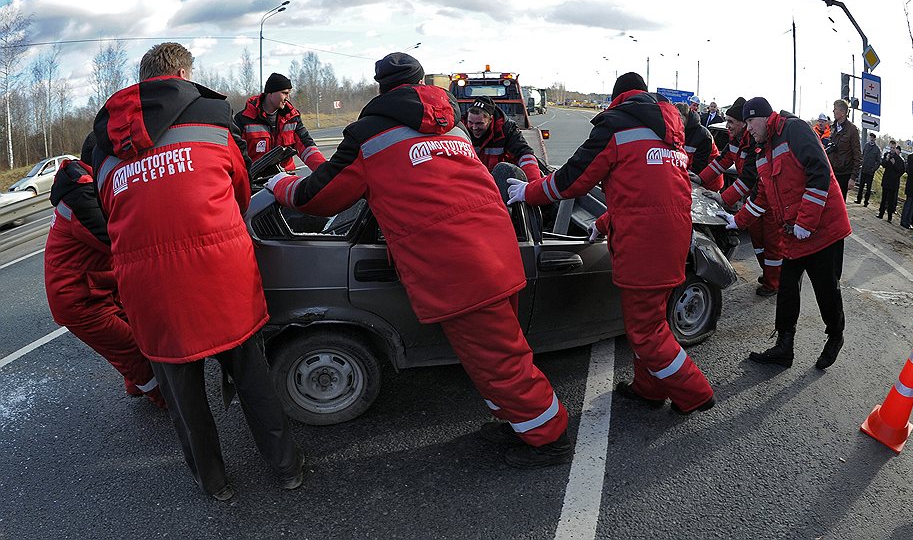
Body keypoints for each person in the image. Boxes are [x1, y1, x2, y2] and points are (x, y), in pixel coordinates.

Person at [267, 52, 573, 469]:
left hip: (455, 265)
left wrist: (281, 183)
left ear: (380, 86)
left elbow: (320, 197)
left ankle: (549, 439)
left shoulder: (369, 133)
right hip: (497, 249)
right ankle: (517, 423)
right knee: (491, 357)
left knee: (502, 362)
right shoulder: (454, 124)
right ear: (421, 81)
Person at [90, 42, 303, 501]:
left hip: (150, 291)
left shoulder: (102, 141)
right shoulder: (210, 115)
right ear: (183, 74)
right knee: (253, 380)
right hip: (219, 276)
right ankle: (287, 469)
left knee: (185, 401)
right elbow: (240, 191)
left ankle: (215, 484)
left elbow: (110, 212)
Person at [507, 72, 716, 415]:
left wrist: (527, 191)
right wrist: (605, 222)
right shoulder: (669, 132)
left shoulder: (616, 126)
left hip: (643, 246)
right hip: (672, 237)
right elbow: (647, 191)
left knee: (646, 332)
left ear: (618, 98)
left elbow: (572, 179)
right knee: (650, 323)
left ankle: (695, 393)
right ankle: (648, 389)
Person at [721, 97, 851, 369]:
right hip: (794, 233)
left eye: (749, 122)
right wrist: (737, 221)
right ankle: (784, 347)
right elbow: (763, 196)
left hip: (822, 229)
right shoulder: (763, 150)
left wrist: (806, 221)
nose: (748, 129)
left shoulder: (795, 130)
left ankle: (835, 335)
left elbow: (820, 172)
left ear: (764, 118)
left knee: (826, 290)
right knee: (787, 288)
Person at [44, 138, 165, 410]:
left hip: (97, 287)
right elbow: (118, 242)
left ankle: (136, 385)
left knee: (138, 338)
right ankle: (164, 398)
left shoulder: (84, 186)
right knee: (133, 351)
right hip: (80, 300)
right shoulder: (82, 196)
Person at [697, 96, 783, 297]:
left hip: (767, 202)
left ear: (745, 124)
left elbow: (749, 178)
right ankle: (769, 274)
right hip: (754, 199)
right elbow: (722, 161)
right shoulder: (736, 140)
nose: (728, 126)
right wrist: (700, 179)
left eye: (731, 122)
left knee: (771, 245)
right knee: (758, 242)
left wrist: (723, 199)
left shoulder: (755, 144)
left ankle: (773, 283)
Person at [235, 72, 326, 173]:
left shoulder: (292, 117)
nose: (288, 98)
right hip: (256, 183)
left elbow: (306, 145)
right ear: (270, 94)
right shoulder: (243, 119)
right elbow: (235, 156)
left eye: (289, 93)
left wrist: (325, 171)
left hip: (286, 179)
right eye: (284, 93)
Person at [462, 95, 542, 181]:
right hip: (469, 181)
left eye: (479, 123)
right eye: (470, 122)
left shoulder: (507, 130)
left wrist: (533, 184)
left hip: (499, 182)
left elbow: (524, 153)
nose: (474, 128)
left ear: (490, 119)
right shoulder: (460, 129)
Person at [826, 99, 861, 200]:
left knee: (838, 204)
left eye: (835, 109)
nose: (833, 111)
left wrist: (853, 178)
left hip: (844, 174)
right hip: (832, 172)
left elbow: (857, 155)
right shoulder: (833, 127)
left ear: (842, 113)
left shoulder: (852, 130)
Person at [676, 101, 720, 175]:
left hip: (708, 181)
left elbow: (698, 168)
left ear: (685, 117)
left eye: (677, 117)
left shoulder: (703, 136)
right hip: (689, 176)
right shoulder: (679, 130)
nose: (674, 120)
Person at [878, 141, 906, 223]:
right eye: (891, 147)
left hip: (893, 182)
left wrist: (894, 164)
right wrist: (886, 160)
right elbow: (883, 165)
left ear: (895, 148)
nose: (892, 149)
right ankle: (881, 213)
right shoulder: (887, 155)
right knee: (883, 198)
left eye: (893, 148)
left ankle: (889, 217)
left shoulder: (899, 159)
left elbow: (901, 171)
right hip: (886, 180)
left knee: (891, 200)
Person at [855, 132, 880, 206]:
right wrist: (861, 164)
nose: (871, 139)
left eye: (873, 138)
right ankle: (859, 199)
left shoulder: (877, 149)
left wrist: (873, 169)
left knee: (868, 188)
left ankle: (866, 202)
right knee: (861, 186)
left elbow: (878, 161)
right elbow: (862, 155)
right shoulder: (866, 145)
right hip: (864, 169)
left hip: (870, 171)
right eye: (870, 137)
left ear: (875, 139)